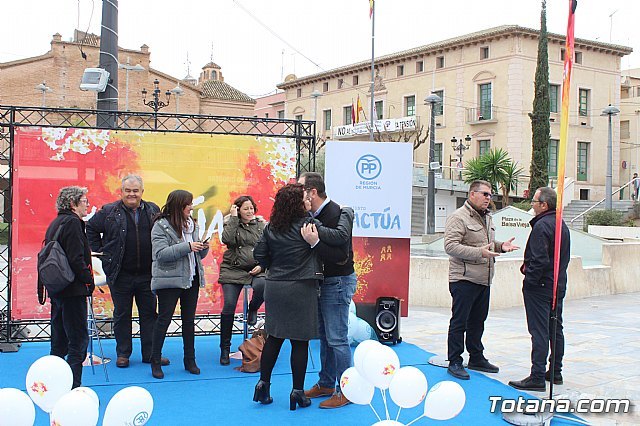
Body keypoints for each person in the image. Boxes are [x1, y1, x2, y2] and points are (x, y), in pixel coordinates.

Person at [252, 183, 352, 411]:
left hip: (275, 287)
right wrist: (347, 212)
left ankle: (262, 385)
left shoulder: (271, 227)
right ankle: (297, 392)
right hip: (301, 288)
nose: (308, 201)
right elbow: (339, 236)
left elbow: (259, 254)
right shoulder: (309, 224)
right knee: (299, 342)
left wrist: (274, 265)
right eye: (304, 199)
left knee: (274, 337)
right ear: (297, 204)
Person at [87, 175, 168, 368]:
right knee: (122, 315)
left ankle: (150, 354)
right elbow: (90, 228)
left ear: (142, 192)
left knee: (149, 315)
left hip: (148, 274)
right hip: (120, 274)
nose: (132, 194)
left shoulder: (153, 210)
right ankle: (123, 354)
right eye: (128, 190)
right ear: (121, 192)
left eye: (135, 190)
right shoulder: (109, 211)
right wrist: (102, 252)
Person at [443, 180, 519, 380]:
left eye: (490, 195)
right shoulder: (458, 217)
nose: (488, 198)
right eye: (485, 194)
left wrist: (501, 246)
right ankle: (455, 360)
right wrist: (480, 252)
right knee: (460, 322)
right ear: (472, 194)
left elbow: (487, 244)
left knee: (478, 321)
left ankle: (476, 357)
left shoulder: (487, 217)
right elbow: (450, 246)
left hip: (483, 279)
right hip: (464, 278)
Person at [299, 172, 356, 409]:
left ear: (312, 192)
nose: (298, 194)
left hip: (338, 282)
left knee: (337, 339)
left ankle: (346, 390)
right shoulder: (313, 216)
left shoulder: (335, 213)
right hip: (323, 283)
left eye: (301, 189)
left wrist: (315, 243)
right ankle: (326, 383)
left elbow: (341, 255)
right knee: (325, 337)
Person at [509, 187, 570, 392]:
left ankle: (537, 376)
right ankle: (555, 372)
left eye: (534, 201)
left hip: (541, 286)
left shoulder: (542, 226)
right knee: (555, 328)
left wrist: (530, 281)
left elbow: (539, 260)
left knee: (540, 331)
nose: (532, 205)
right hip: (557, 284)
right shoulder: (560, 224)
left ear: (544, 205)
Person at [149, 190, 209, 379]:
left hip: (191, 277)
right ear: (179, 205)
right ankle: (155, 360)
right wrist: (188, 247)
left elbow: (197, 255)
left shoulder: (193, 225)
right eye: (188, 204)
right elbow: (160, 254)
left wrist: (203, 248)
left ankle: (190, 360)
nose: (191, 207)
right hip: (169, 280)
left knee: (189, 321)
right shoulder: (161, 225)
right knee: (164, 320)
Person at [41, 186, 95, 388]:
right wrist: (88, 280)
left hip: (58, 287)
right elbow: (76, 258)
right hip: (73, 289)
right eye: (84, 201)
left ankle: (54, 384)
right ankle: (73, 387)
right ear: (73, 203)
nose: (87, 205)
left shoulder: (56, 222)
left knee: (59, 339)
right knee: (77, 340)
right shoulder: (72, 223)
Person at [218, 195, 266, 365]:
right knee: (229, 305)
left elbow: (269, 248)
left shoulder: (261, 225)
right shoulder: (231, 223)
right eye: (246, 209)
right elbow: (227, 239)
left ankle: (253, 308)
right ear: (238, 210)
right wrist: (232, 218)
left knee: (263, 285)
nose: (249, 211)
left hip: (256, 268)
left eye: (251, 208)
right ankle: (225, 348)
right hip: (233, 269)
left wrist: (262, 266)